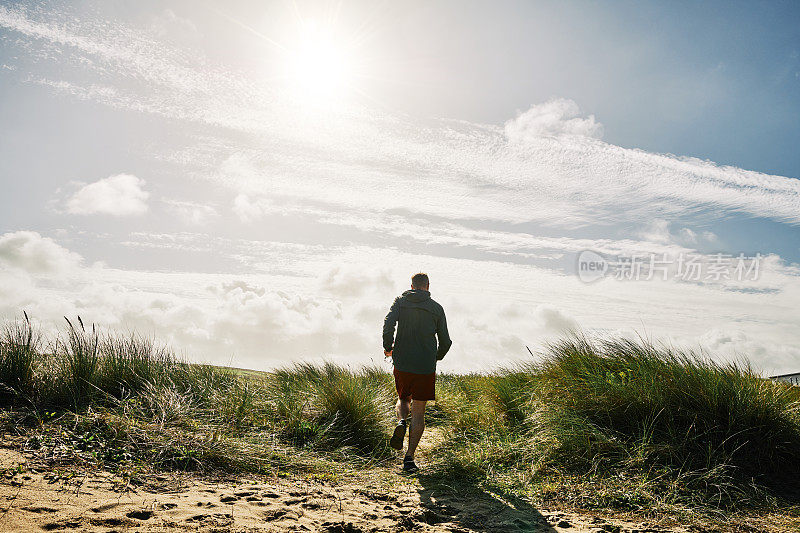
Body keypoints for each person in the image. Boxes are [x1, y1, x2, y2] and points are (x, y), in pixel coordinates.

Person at [382, 272, 452, 473]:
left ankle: (401, 421)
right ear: (428, 286)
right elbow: (446, 341)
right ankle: (409, 458)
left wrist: (388, 346)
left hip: (402, 361)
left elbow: (388, 325)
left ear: (411, 285)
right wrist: (435, 356)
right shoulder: (437, 308)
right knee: (419, 411)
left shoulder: (400, 302)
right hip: (425, 366)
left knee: (403, 398)